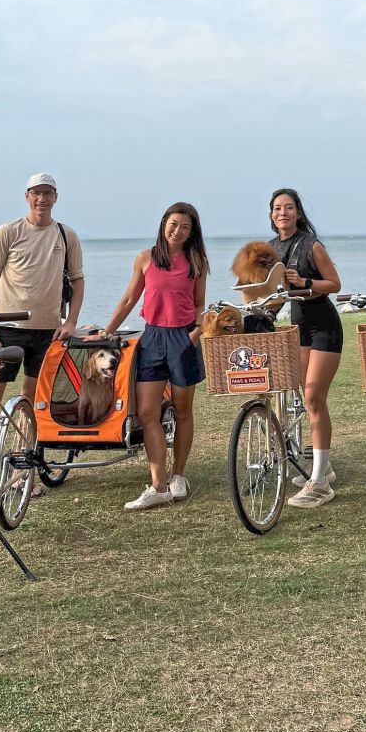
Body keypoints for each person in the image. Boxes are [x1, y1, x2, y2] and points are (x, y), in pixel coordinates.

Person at [0, 173, 84, 486]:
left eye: (48, 193)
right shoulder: (8, 232)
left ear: (56, 197)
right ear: (27, 196)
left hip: (46, 333)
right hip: (6, 330)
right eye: (36, 193)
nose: (42, 200)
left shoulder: (65, 235)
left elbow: (77, 280)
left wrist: (71, 321)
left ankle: (24, 476)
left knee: (31, 403)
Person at [101, 202, 208, 511]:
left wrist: (195, 334)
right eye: (173, 224)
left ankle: (178, 476)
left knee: (182, 409)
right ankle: (158, 485)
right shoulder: (145, 259)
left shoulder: (196, 260)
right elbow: (128, 299)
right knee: (147, 412)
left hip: (183, 337)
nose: (178, 231)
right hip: (152, 338)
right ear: (164, 224)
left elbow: (200, 303)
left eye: (185, 227)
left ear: (191, 233)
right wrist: (108, 331)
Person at [269, 188, 343, 510]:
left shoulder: (310, 245)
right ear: (271, 215)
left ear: (298, 213)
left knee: (313, 396)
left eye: (288, 207)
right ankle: (322, 466)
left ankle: (321, 484)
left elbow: (335, 284)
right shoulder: (270, 249)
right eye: (276, 208)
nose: (282, 213)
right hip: (298, 328)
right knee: (305, 396)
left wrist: (305, 284)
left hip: (324, 325)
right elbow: (267, 290)